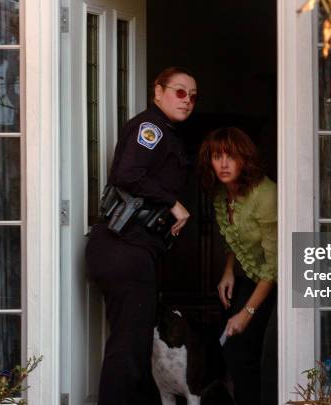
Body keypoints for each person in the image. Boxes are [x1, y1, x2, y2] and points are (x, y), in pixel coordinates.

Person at [85, 67, 197, 405]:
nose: (187, 100)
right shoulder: (151, 128)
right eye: (179, 91)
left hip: (135, 250)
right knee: (128, 352)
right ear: (157, 92)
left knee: (134, 349)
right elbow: (127, 173)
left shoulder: (168, 133)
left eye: (193, 96)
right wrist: (173, 203)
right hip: (125, 247)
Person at [198, 127, 278, 405]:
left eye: (231, 157)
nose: (223, 163)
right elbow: (233, 238)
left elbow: (273, 267)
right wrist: (228, 270)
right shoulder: (222, 194)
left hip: (277, 282)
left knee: (263, 355)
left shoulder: (266, 195)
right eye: (216, 156)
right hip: (249, 276)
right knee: (234, 351)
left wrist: (247, 312)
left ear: (245, 159)